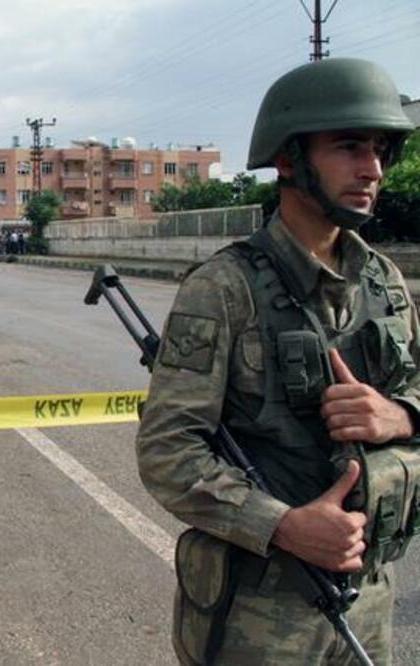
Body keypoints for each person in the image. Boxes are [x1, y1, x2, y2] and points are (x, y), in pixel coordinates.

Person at [136, 59, 418, 665]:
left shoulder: (385, 283)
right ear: (288, 160)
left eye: (377, 150)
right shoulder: (224, 289)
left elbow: (415, 390)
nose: (371, 168)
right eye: (348, 147)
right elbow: (167, 450)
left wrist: (396, 415)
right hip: (262, 612)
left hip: (369, 597)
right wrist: (283, 524)